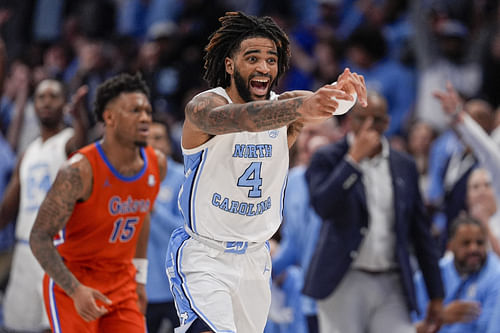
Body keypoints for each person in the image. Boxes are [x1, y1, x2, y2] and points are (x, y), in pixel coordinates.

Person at [165, 11, 367, 333]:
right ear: (230, 64)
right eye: (252, 58)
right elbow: (246, 118)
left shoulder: (288, 106)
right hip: (205, 257)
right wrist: (304, 108)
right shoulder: (203, 109)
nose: (263, 67)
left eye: (271, 59)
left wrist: (347, 95)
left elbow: (323, 104)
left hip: (255, 261)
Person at [29, 73, 166, 332]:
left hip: (122, 281)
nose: (146, 117)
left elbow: (142, 216)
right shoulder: (78, 171)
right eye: (135, 111)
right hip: (76, 280)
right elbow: (38, 237)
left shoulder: (156, 163)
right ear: (110, 118)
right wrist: (75, 290)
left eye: (147, 110)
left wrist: (140, 279)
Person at [304, 91, 444, 333]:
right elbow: (323, 206)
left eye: (377, 119)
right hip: (343, 279)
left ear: (387, 123)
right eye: (361, 118)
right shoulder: (327, 158)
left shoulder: (404, 165)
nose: (369, 126)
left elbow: (420, 233)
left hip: (392, 281)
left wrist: (436, 294)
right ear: (349, 121)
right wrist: (353, 160)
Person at [0, 79, 88, 332]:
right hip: (23, 249)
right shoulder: (28, 153)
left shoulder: (68, 140)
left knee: (55, 325)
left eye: (54, 96)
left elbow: (81, 148)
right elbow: (8, 209)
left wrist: (79, 117)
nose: (47, 101)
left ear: (64, 104)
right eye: (41, 97)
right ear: (34, 105)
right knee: (18, 325)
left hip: (57, 251)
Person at [414, 215, 500, 333]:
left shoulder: (496, 276)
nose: (473, 249)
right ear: (450, 246)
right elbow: (409, 329)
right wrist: (440, 319)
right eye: (466, 243)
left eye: (479, 243)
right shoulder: (427, 278)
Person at [145, 116, 183, 333]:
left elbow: (186, 230)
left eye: (158, 138)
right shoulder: (129, 178)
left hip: (176, 288)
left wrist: (152, 207)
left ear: (168, 144)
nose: (151, 143)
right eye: (146, 138)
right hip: (141, 288)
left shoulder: (183, 178)